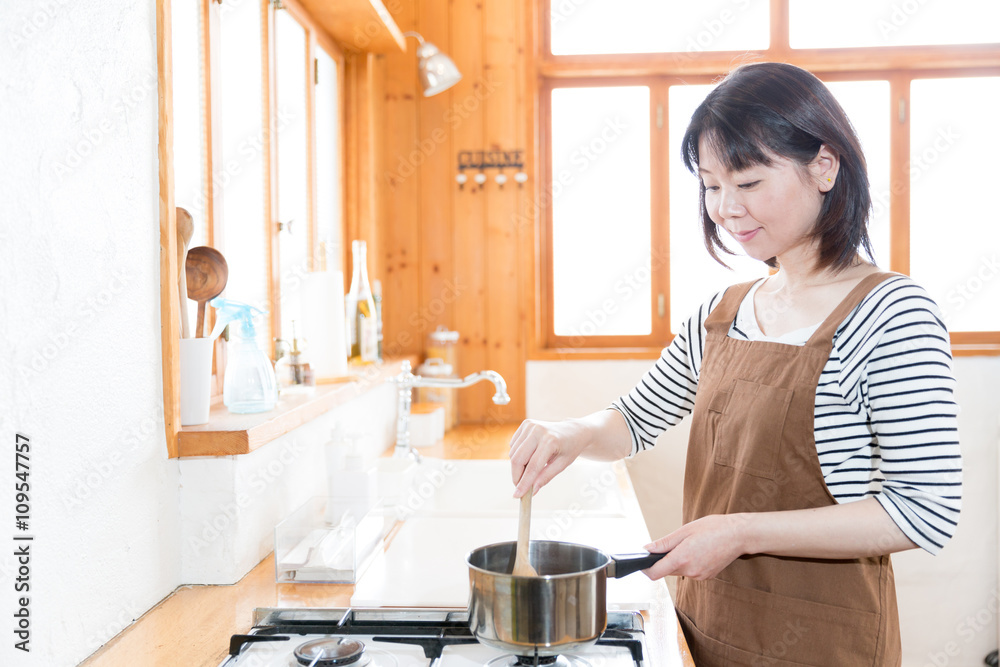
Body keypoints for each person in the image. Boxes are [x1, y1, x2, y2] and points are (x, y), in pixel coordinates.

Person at [509, 62, 961, 666]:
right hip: (709, 626)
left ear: (824, 167)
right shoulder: (724, 312)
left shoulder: (893, 313)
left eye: (747, 182)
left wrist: (743, 532)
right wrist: (571, 432)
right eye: (710, 184)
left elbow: (924, 511)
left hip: (825, 643)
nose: (724, 208)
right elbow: (634, 421)